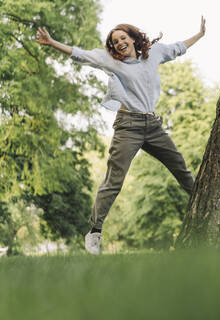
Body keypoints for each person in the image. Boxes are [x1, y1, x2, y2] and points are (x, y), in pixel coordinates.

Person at [36, 17, 206, 255]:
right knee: (114, 180)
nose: (119, 43)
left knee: (181, 168)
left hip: (153, 125)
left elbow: (177, 48)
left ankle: (208, 210)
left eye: (122, 38)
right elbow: (82, 55)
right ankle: (94, 232)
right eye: (115, 42)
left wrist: (199, 35)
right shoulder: (111, 61)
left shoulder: (154, 54)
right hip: (128, 126)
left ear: (133, 38)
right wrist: (52, 42)